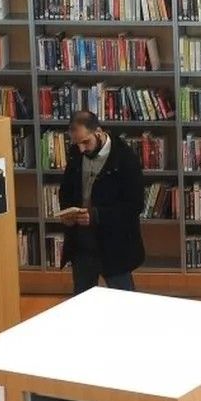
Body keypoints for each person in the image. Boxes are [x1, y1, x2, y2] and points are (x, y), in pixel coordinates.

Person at [59, 111, 145, 294]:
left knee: (124, 301)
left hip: (114, 244)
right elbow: (66, 189)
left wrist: (97, 215)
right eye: (77, 143)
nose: (81, 149)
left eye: (85, 142)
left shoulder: (125, 159)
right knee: (82, 299)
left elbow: (135, 205)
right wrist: (67, 213)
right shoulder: (76, 153)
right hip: (81, 241)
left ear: (98, 132)